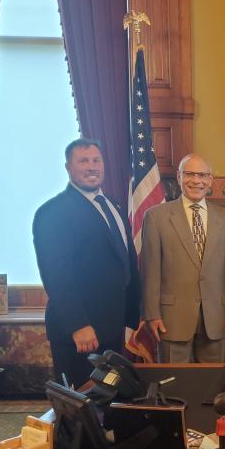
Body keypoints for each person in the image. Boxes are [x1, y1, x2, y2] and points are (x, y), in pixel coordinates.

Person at [33, 138, 140, 389]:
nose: (92, 166)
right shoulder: (53, 212)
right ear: (68, 167)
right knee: (80, 407)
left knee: (108, 399)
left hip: (112, 327)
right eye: (83, 161)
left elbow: (125, 261)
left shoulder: (112, 205)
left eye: (96, 160)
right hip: (81, 332)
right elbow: (56, 275)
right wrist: (79, 325)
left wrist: (134, 316)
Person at [140, 153, 225, 363]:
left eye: (203, 175)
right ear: (179, 177)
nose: (196, 180)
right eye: (190, 174)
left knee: (211, 386)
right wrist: (152, 314)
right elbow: (150, 272)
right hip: (171, 318)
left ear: (211, 180)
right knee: (174, 385)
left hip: (216, 316)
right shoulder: (156, 216)